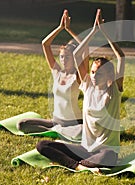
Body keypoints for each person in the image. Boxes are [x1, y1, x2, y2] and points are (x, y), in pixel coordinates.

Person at [36, 9, 125, 173]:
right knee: (42, 145)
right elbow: (78, 53)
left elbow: (121, 57)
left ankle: (78, 163)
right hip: (85, 148)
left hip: (106, 151)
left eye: (99, 73)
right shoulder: (86, 85)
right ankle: (80, 165)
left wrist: (105, 33)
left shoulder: (114, 90)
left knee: (108, 157)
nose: (94, 75)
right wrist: (93, 31)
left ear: (109, 76)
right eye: (92, 72)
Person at [17, 10, 88, 141]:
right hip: (55, 121)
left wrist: (69, 30)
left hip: (74, 123)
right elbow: (45, 44)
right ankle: (54, 131)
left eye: (67, 57)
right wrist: (60, 28)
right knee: (21, 125)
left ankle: (58, 132)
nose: (63, 60)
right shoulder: (57, 72)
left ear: (74, 58)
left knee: (83, 132)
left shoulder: (78, 75)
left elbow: (86, 48)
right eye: (61, 56)